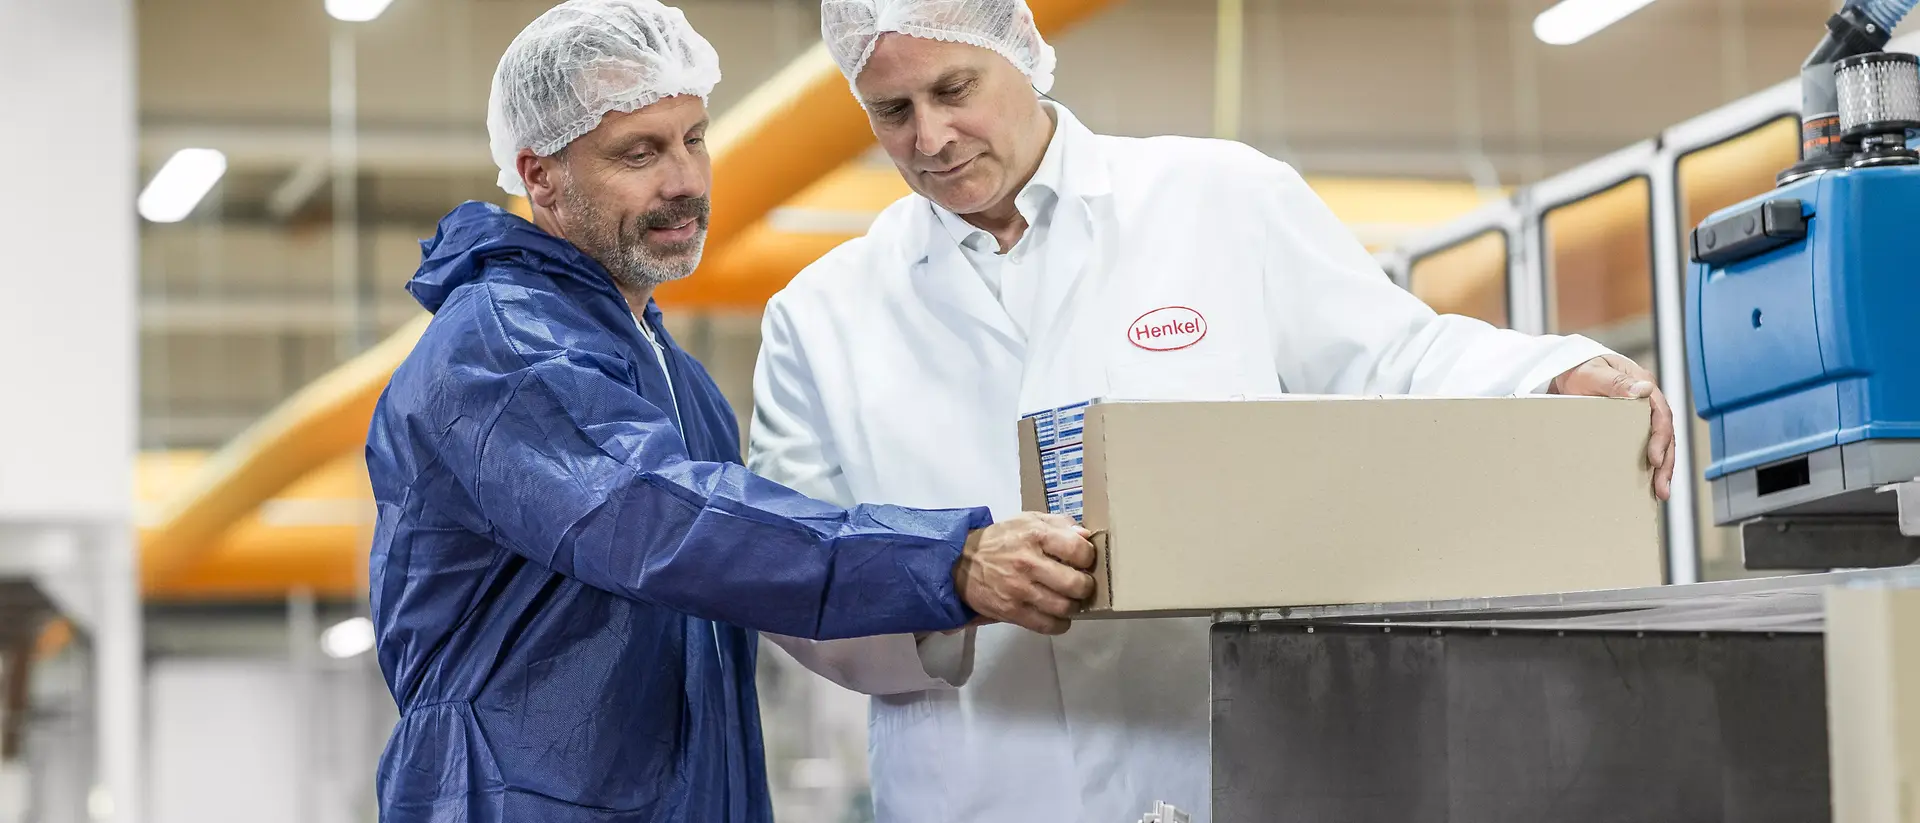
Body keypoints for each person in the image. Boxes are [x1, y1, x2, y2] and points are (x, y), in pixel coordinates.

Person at [747, 1, 1681, 821]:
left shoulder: (1221, 199)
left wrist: (1549, 371)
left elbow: (1393, 355)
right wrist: (947, 591)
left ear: (1024, 46)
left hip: (1212, 757)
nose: (932, 137)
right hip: (978, 784)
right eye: (893, 112)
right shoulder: (821, 314)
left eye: (956, 88)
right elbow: (792, 573)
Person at [364, 2, 1098, 821]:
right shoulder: (504, 349)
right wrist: (947, 561)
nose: (682, 181)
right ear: (540, 176)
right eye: (637, 153)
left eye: (693, 139)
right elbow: (662, 523)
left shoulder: (672, 374)